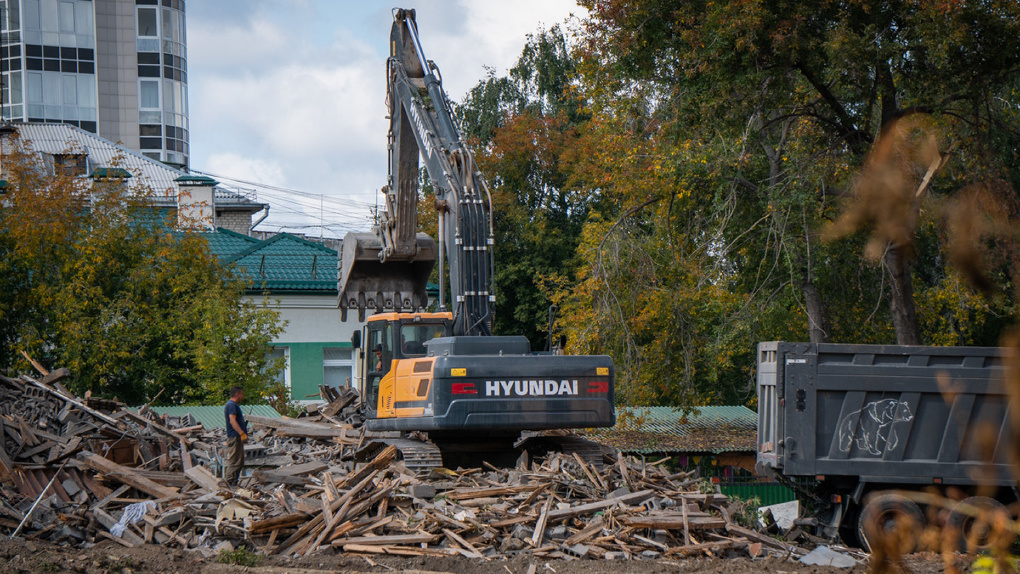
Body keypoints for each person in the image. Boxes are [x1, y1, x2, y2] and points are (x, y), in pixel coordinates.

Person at [224, 386, 248, 486]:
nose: (242, 396)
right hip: (235, 437)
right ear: (237, 394)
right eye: (241, 394)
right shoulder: (232, 405)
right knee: (234, 462)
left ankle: (233, 482)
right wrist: (241, 433)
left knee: (239, 462)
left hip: (236, 437)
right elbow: (232, 421)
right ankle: (229, 484)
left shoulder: (232, 405)